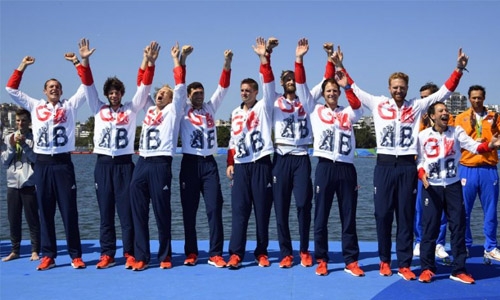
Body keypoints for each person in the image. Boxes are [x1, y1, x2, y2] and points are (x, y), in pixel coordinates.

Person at [339, 48, 469, 280]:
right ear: (389, 88)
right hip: (384, 166)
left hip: (408, 167)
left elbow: (444, 92)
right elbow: (355, 88)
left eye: (402, 87)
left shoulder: (417, 106)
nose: (398, 90)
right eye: (395, 87)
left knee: (406, 216)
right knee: (382, 215)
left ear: (407, 88)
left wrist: (458, 69)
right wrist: (339, 65)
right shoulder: (378, 103)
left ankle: (405, 263)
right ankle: (385, 261)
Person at [71, 39, 159, 269]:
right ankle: (107, 253)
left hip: (124, 164)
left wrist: (149, 63)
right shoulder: (97, 108)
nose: (113, 96)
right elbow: (88, 85)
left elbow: (145, 88)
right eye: (110, 92)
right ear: (107, 95)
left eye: (117, 92)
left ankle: (129, 252)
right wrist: (85, 60)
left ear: (122, 93)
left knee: (126, 212)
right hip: (103, 165)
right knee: (105, 211)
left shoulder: (131, 108)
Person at [5, 53, 88, 270]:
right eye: (50, 86)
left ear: (61, 91)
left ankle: (75, 255)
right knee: (45, 211)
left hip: (62, 164)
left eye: (57, 86)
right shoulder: (35, 106)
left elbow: (87, 85)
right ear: (44, 91)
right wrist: (22, 65)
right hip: (41, 164)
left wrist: (79, 63)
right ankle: (48, 255)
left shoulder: (70, 106)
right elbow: (11, 89)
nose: (54, 89)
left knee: (69, 211)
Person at [296, 43, 365, 277]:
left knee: (348, 216)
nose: (332, 94)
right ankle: (322, 258)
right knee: (321, 216)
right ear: (323, 94)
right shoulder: (313, 109)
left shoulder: (349, 112)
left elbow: (357, 104)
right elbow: (302, 86)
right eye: (328, 91)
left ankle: (351, 260)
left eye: (335, 91)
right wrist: (299, 60)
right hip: (324, 167)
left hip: (347, 169)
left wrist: (343, 77)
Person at [269, 38, 335, 269]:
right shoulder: (274, 101)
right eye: (287, 79)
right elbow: (265, 80)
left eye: (293, 79)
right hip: (280, 158)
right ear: (282, 83)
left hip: (301, 158)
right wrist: (266, 54)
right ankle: (286, 253)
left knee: (304, 205)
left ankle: (305, 250)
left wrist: (328, 57)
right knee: (281, 207)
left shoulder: (306, 101)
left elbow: (327, 81)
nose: (291, 82)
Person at [417, 102, 500, 284]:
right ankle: (427, 268)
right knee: (429, 228)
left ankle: (459, 269)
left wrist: (490, 145)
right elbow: (419, 161)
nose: (445, 113)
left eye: (446, 110)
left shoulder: (456, 132)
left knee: (458, 227)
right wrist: (422, 174)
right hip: (432, 187)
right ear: (432, 116)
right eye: (441, 111)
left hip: (454, 186)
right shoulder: (422, 136)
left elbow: (474, 147)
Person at [130, 42, 192, 271]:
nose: (160, 95)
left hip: (161, 162)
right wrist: (148, 61)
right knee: (138, 211)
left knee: (162, 211)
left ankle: (165, 255)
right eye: (159, 93)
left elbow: (180, 86)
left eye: (165, 94)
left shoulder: (174, 110)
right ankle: (141, 256)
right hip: (142, 162)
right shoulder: (147, 108)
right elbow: (141, 85)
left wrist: (177, 60)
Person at [179, 49, 232, 268]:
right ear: (189, 95)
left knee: (214, 208)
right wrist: (182, 61)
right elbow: (179, 84)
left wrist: (227, 62)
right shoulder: (181, 110)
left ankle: (215, 253)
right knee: (189, 211)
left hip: (209, 165)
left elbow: (223, 87)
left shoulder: (210, 108)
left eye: (201, 92)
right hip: (189, 164)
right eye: (195, 93)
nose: (200, 95)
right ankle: (191, 252)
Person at [225, 37, 275, 269]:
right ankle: (236, 253)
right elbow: (233, 140)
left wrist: (263, 58)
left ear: (256, 92)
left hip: (262, 163)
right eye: (242, 90)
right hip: (242, 166)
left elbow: (269, 83)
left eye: (248, 90)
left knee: (262, 212)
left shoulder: (264, 107)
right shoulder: (235, 112)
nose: (244, 93)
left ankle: (261, 252)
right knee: (239, 212)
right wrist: (230, 162)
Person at [454, 85, 500, 263]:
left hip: (488, 169)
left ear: (484, 98)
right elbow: (456, 143)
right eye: (473, 98)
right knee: (463, 210)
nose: (476, 101)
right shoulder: (461, 118)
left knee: (490, 211)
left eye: (479, 97)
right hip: (467, 168)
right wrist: (474, 134)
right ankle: (465, 245)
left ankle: (490, 247)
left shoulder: (494, 117)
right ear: (468, 98)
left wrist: (493, 143)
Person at [413, 82, 454, 263]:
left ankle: (439, 243)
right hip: (421, 173)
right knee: (419, 210)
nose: (424, 101)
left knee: (442, 212)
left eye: (427, 97)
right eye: (422, 98)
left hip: (443, 176)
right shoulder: (417, 120)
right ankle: (420, 241)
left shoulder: (447, 123)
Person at [1, 108, 40, 262]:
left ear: (28, 121)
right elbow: (4, 162)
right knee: (13, 219)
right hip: (12, 184)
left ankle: (35, 250)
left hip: (29, 183)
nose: (20, 123)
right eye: (17, 120)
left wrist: (24, 145)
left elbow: (36, 159)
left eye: (23, 120)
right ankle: (14, 250)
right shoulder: (9, 137)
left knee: (32, 219)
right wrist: (11, 147)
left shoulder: (34, 138)